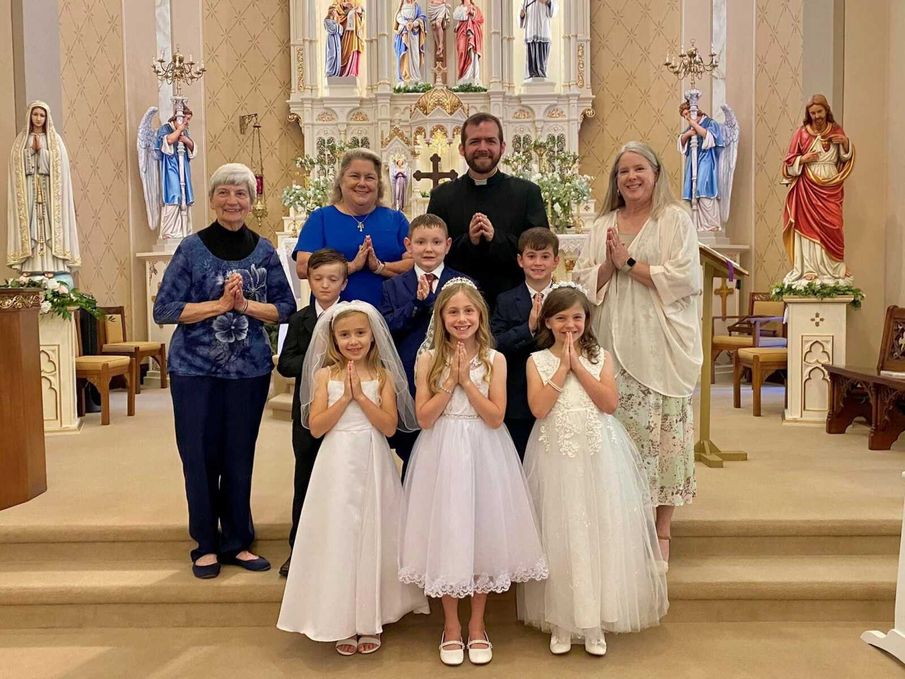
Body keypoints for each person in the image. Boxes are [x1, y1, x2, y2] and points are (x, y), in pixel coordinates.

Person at [153, 163, 296, 579]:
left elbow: (285, 308)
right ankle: (205, 543)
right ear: (213, 199)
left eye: (242, 194)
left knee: (238, 456)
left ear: (252, 202)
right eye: (225, 193)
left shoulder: (265, 250)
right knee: (198, 456)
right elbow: (164, 309)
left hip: (248, 370)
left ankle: (237, 540)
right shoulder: (191, 249)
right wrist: (219, 305)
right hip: (194, 370)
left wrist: (244, 306)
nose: (233, 201)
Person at [398, 279, 547, 667]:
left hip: (484, 448)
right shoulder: (428, 358)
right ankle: (451, 626)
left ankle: (477, 624)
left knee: (482, 533)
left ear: (480, 314)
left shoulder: (494, 359)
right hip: (442, 450)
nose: (461, 318)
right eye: (453, 312)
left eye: (468, 311)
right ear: (441, 317)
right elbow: (424, 418)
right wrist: (451, 382)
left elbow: (497, 416)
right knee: (450, 533)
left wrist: (469, 381)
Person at [517, 284, 668, 656]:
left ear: (587, 320)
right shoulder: (535, 361)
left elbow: (609, 403)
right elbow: (539, 408)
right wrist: (561, 368)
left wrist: (578, 366)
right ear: (548, 322)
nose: (570, 324)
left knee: (599, 528)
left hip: (598, 451)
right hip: (555, 453)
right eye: (561, 318)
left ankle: (597, 619)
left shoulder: (602, 357)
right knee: (561, 529)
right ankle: (563, 620)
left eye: (577, 317)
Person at [571, 141, 702, 565]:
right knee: (620, 438)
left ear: (656, 174)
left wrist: (628, 263)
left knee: (663, 436)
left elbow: (685, 278)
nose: (631, 177)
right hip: (612, 342)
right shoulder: (603, 224)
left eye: (639, 169)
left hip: (660, 345)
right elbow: (582, 281)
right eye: (623, 170)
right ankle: (624, 526)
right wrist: (610, 265)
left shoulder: (674, 221)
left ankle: (662, 530)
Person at [278, 301, 429, 656]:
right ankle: (340, 617)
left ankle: (370, 617)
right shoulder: (323, 376)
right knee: (340, 533)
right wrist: (344, 397)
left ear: (373, 337)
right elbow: (315, 427)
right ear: (333, 338)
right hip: (335, 461)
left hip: (372, 456)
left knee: (372, 532)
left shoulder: (383, 377)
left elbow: (390, 426)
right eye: (345, 334)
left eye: (360, 333)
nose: (353, 340)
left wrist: (361, 395)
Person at [427, 112, 549, 310]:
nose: (482, 148)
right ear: (462, 149)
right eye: (475, 141)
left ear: (502, 147)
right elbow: (433, 255)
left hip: (514, 307)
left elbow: (540, 251)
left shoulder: (527, 193)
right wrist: (470, 241)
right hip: (458, 307)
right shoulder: (442, 196)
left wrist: (495, 238)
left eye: (490, 141)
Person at [276, 248, 348, 578]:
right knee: (305, 479)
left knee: (342, 480)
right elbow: (287, 363)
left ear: (344, 283)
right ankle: (299, 550)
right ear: (309, 280)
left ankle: (340, 549)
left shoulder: (353, 317)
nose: (325, 285)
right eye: (318, 279)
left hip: (348, 412)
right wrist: (319, 361)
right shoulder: (299, 320)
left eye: (333, 279)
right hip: (308, 412)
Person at [380, 214, 466, 478]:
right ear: (408, 245)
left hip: (454, 377)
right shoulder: (393, 286)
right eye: (420, 242)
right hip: (409, 377)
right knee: (413, 452)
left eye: (436, 242)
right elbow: (386, 329)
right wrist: (416, 305)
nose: (428, 249)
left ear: (448, 245)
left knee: (452, 450)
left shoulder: (462, 282)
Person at [293, 148, 413, 308]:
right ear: (341, 181)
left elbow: (415, 265)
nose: (362, 183)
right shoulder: (320, 219)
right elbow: (302, 268)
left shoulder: (396, 220)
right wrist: (351, 266)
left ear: (378, 184)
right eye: (355, 176)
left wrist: (379, 267)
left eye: (369, 177)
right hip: (335, 319)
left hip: (391, 318)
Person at [491, 227, 560, 459]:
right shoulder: (506, 299)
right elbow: (495, 343)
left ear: (556, 261)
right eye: (531, 256)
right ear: (520, 260)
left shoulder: (567, 297)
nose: (538, 263)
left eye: (545, 256)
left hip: (558, 393)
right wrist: (528, 328)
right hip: (518, 397)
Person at [781, 94, 854, 284]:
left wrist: (845, 143)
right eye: (812, 113)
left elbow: (845, 158)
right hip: (807, 185)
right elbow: (788, 161)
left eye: (819, 112)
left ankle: (835, 266)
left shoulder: (836, 130)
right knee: (807, 225)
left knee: (834, 225)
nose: (816, 116)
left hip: (831, 184)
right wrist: (803, 159)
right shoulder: (802, 133)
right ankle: (809, 268)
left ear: (826, 111)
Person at [7, 101, 80, 276]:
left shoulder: (55, 141)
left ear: (47, 118)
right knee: (32, 221)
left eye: (42, 115)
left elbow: (60, 167)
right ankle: (30, 266)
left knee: (48, 224)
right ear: (30, 116)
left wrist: (43, 153)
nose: (38, 118)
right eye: (35, 114)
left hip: (48, 192)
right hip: (30, 190)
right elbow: (16, 166)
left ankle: (52, 265)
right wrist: (31, 152)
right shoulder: (21, 141)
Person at [678, 100, 724, 232]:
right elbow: (681, 141)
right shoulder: (690, 127)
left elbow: (709, 137)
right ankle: (697, 225)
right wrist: (687, 134)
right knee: (691, 192)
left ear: (694, 111)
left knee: (704, 190)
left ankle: (710, 224)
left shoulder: (710, 123)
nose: (686, 117)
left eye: (687, 113)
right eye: (684, 116)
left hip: (706, 160)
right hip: (693, 162)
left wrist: (693, 125)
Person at [155, 106, 196, 239]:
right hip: (170, 168)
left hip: (182, 167)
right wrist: (178, 130)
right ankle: (170, 231)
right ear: (179, 117)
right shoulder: (165, 129)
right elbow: (168, 141)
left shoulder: (185, 132)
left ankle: (184, 230)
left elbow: (192, 147)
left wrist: (185, 139)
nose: (188, 122)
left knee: (185, 196)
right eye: (186, 119)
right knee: (174, 195)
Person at [520, 0, 557, 79]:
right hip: (530, 32)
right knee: (531, 55)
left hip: (543, 31)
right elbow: (522, 11)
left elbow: (554, 10)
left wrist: (548, 2)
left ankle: (541, 74)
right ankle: (531, 74)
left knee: (542, 55)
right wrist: (522, 15)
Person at [394, 0, 428, 84]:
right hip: (404, 34)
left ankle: (415, 76)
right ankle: (405, 76)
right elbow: (398, 17)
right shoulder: (401, 6)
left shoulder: (416, 6)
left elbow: (422, 18)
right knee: (405, 53)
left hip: (414, 34)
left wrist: (414, 23)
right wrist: (406, 23)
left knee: (415, 54)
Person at [331, 0, 365, 78]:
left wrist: (357, 11)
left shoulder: (357, 1)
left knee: (354, 47)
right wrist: (343, 6)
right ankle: (342, 71)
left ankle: (352, 71)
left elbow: (362, 12)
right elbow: (333, 10)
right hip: (344, 29)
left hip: (354, 32)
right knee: (342, 50)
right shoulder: (337, 1)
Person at [453, 0, 483, 85]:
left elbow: (481, 19)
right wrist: (466, 13)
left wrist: (473, 14)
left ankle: (472, 76)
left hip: (473, 32)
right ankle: (463, 76)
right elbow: (455, 16)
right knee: (462, 50)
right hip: (462, 32)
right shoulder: (459, 8)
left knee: (473, 52)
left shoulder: (475, 8)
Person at [429, 0, 451, 65]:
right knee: (433, 27)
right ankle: (439, 46)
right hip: (432, 7)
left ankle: (441, 44)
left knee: (438, 24)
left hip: (441, 6)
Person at [324, 7, 344, 77]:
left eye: (336, 11)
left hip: (337, 39)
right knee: (332, 54)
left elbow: (341, 31)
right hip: (331, 39)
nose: (336, 12)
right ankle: (329, 72)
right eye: (335, 11)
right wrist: (337, 25)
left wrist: (337, 24)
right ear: (331, 11)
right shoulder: (327, 20)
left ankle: (336, 72)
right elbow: (331, 29)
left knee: (337, 55)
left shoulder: (335, 22)